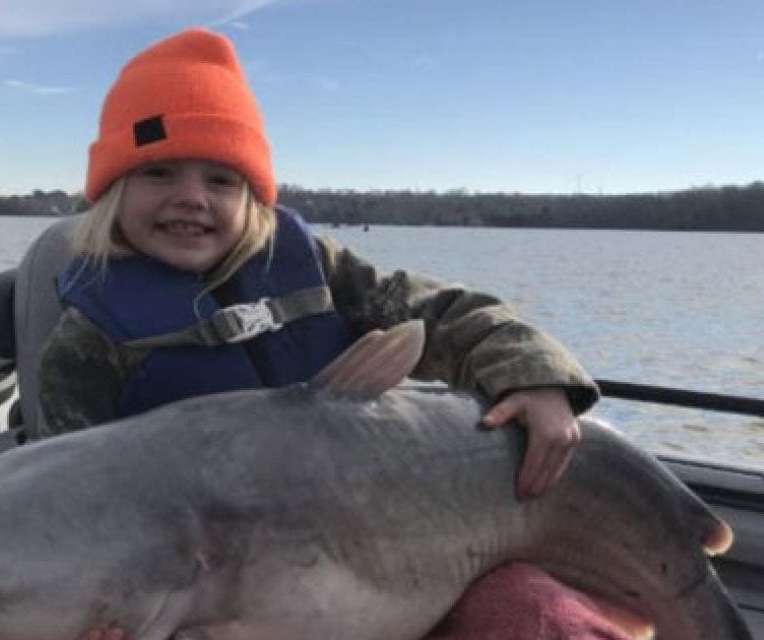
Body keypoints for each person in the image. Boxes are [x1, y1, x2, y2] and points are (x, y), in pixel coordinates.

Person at [37, 27, 625, 640]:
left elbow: (448, 313)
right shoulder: (86, 346)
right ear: (112, 192)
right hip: (219, 600)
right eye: (159, 173)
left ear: (253, 199)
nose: (191, 198)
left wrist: (536, 376)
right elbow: (68, 515)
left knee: (532, 611)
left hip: (387, 555)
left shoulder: (319, 270)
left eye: (221, 180)